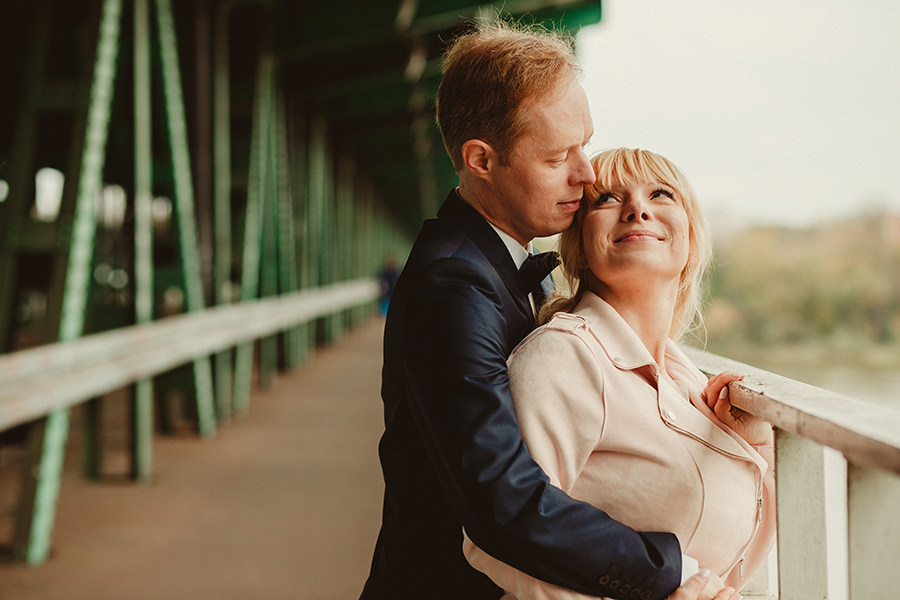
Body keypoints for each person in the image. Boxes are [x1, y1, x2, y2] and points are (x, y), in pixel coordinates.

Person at [360, 22, 689, 600]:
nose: (586, 173)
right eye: (558, 156)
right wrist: (669, 570)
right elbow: (504, 503)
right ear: (481, 160)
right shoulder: (453, 285)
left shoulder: (491, 262)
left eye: (585, 144)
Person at [463, 148, 777, 600]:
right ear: (579, 249)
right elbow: (495, 539)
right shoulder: (564, 357)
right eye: (608, 198)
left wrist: (756, 447)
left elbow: (735, 554)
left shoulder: (686, 379)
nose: (637, 209)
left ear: (691, 240)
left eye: (661, 193)